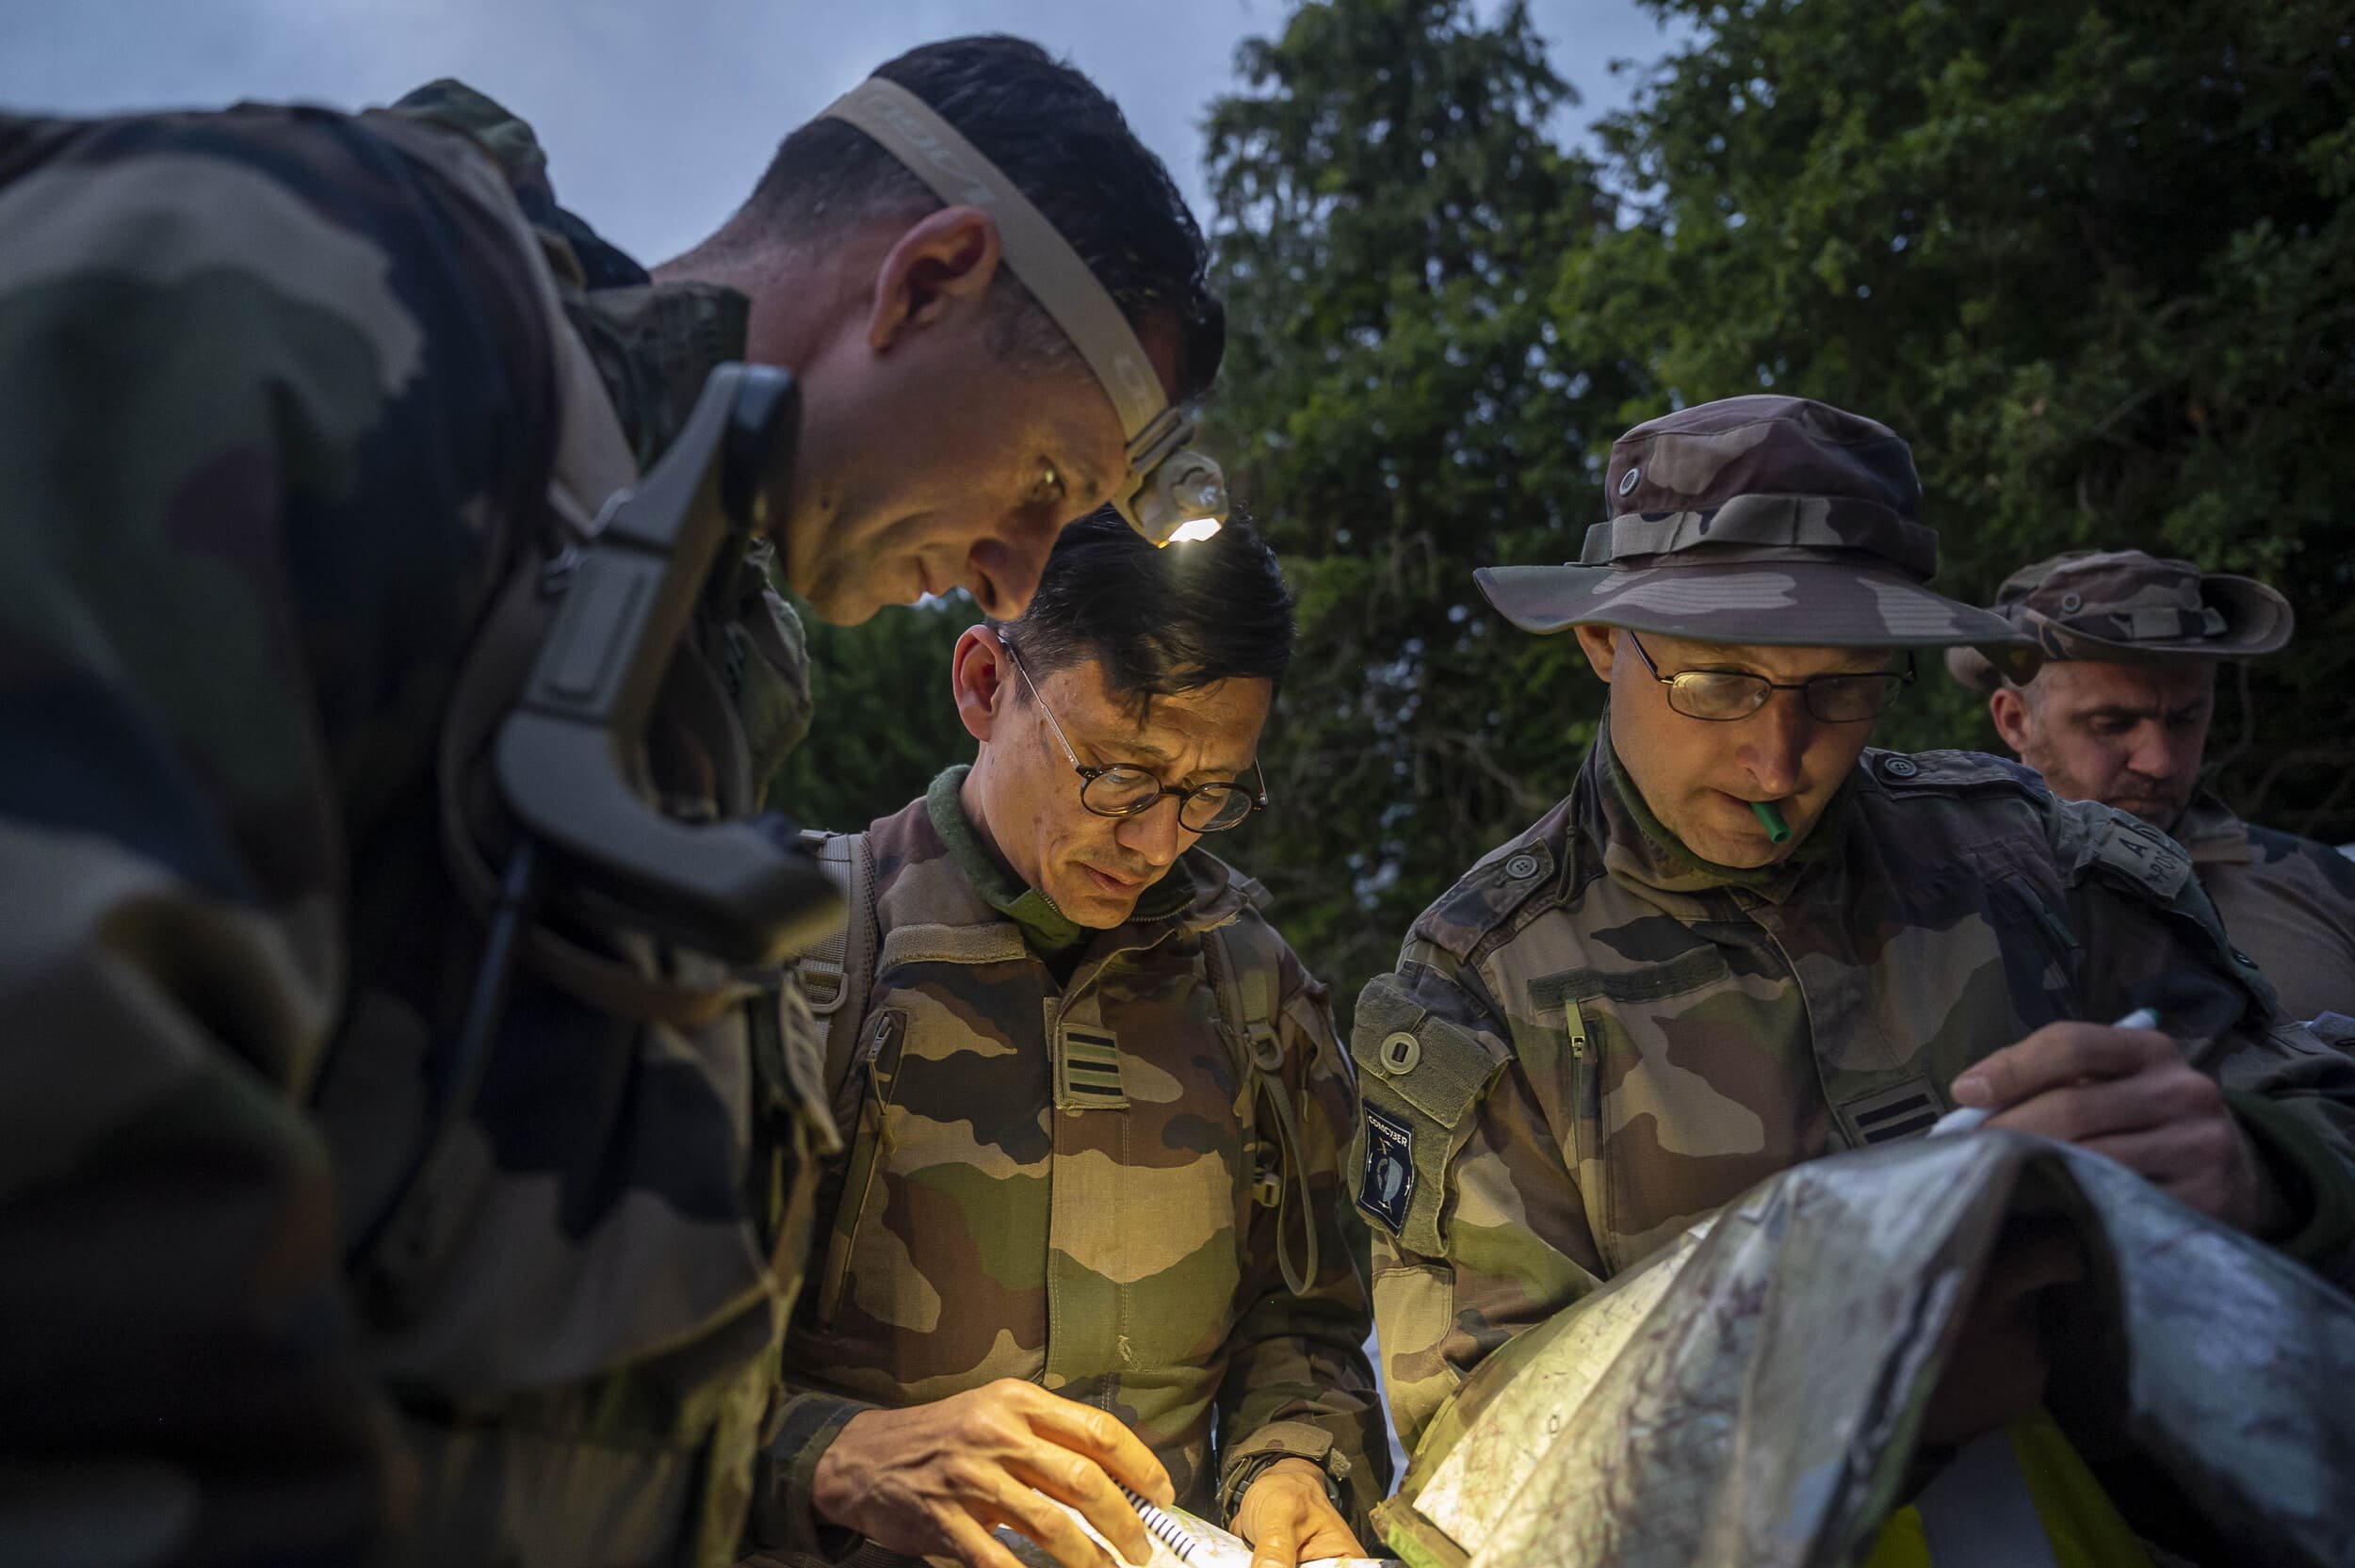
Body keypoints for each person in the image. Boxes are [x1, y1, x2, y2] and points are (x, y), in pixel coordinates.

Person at [0, 36, 1219, 1567]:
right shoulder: (325, 296)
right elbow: (66, 1159)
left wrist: (797, 1476)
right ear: (929, 280)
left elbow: (533, 1363)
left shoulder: (675, 657)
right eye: (1045, 476)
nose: (1021, 572)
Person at [1351, 397, 2355, 1488]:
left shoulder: (2034, 861)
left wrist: (2263, 1166)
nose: (1778, 762)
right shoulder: (1484, 981)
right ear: (1602, 640)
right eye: (1719, 683)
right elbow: (1477, 1443)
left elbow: (2314, 1099)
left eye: (1841, 688)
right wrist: (1840, 1397)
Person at [753, 512, 1388, 1568]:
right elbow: (598, 1391)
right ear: (984, 684)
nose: (1154, 840)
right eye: (1117, 772)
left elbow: (1306, 1330)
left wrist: (1292, 1467)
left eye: (1210, 793)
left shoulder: (1252, 991)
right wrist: (840, 1456)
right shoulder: (797, 961)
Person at [1949, 550, 2355, 1021]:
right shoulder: (1929, 917)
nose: (2160, 763)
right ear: (2015, 720)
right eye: (2112, 723)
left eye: (2185, 718)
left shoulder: (2323, 888)